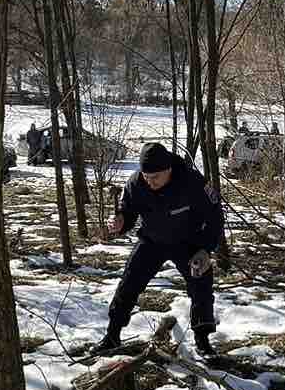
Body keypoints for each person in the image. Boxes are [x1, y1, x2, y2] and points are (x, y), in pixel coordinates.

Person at [94, 141, 224, 356]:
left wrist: (205, 249)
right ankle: (112, 335)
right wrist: (120, 221)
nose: (150, 181)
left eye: (155, 177)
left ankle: (202, 340)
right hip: (152, 241)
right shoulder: (136, 183)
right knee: (129, 283)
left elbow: (215, 215)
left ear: (169, 170)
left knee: (201, 284)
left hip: (188, 242)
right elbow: (127, 211)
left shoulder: (191, 181)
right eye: (146, 176)